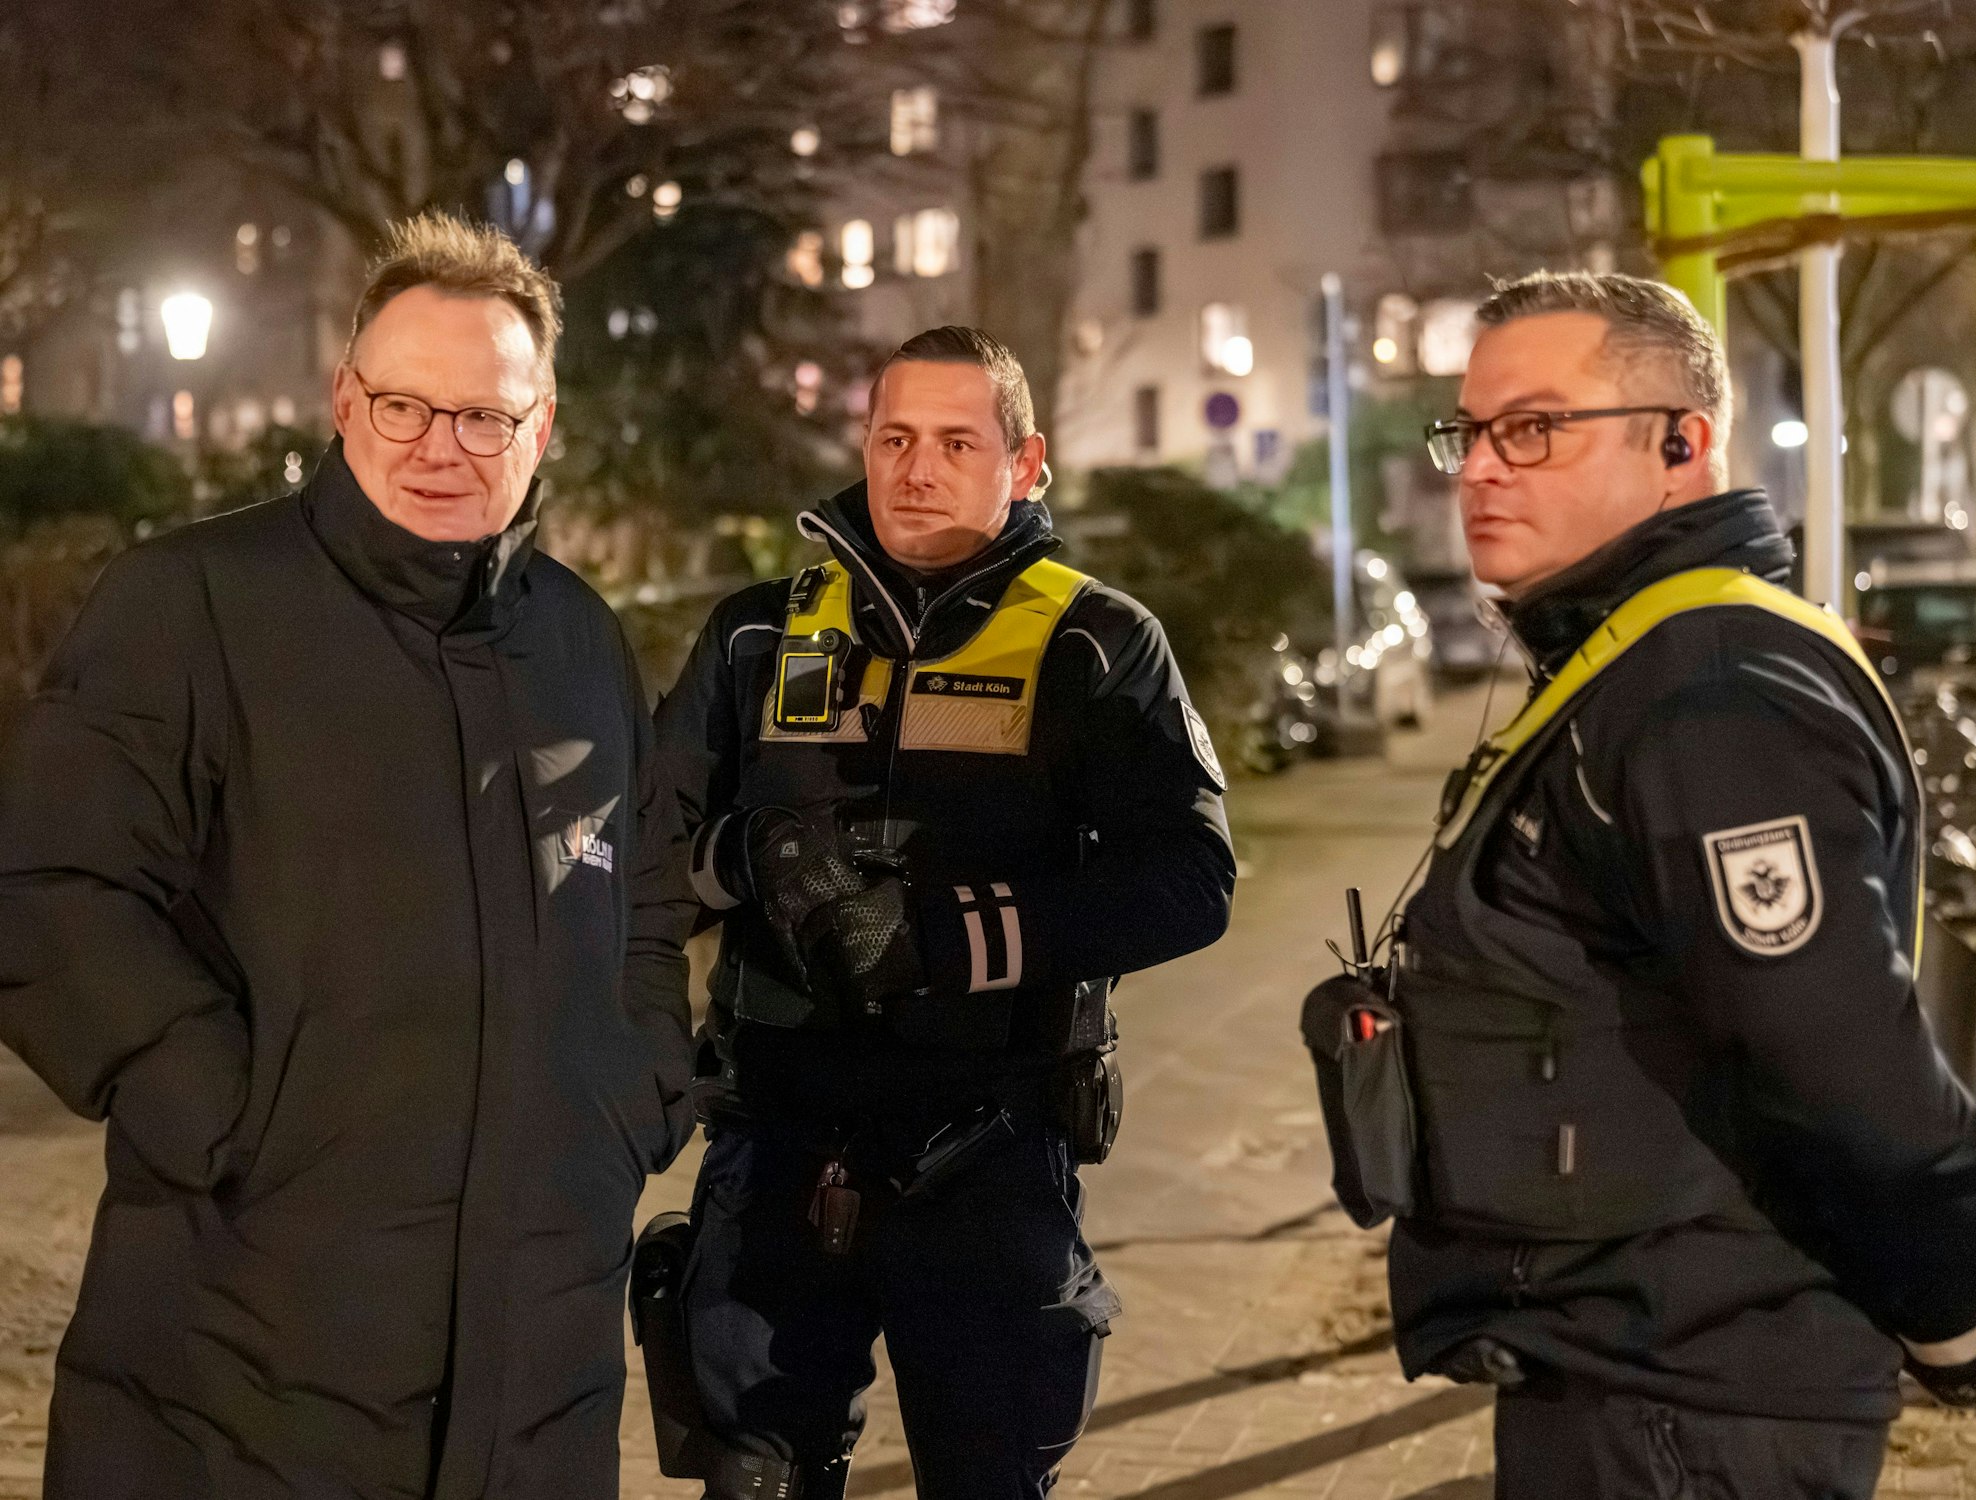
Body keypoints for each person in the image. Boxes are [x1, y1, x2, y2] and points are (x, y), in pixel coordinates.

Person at [0, 212, 695, 1499]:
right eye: (403, 406)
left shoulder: (578, 641)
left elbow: (640, 884)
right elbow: (52, 888)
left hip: (540, 1340)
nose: (441, 446)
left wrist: (633, 1083)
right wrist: (221, 1109)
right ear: (343, 400)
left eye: (484, 415)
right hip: (247, 1332)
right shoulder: (195, 602)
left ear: (540, 426)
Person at [1376, 269, 1976, 1498]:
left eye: (1534, 428)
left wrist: (1961, 1318)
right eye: (1470, 430)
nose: (1481, 468)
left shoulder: (1706, 693)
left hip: (1696, 1397)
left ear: (1682, 443)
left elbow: (1833, 1052)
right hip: (1643, 1369)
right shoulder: (1634, 662)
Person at [654, 325, 1234, 1496]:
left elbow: (1190, 879)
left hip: (987, 1144)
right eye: (894, 438)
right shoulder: (757, 635)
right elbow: (643, 855)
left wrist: (945, 936)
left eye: (955, 441)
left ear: (1025, 464)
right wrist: (757, 861)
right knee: (751, 1478)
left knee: (985, 1476)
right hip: (774, 1139)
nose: (915, 468)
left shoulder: (1097, 643)